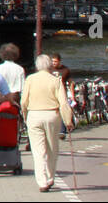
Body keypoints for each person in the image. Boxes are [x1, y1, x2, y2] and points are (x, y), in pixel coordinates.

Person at [21, 53, 74, 192]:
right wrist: (68, 120)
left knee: (38, 151)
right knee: (52, 148)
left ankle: (42, 181)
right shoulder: (55, 80)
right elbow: (63, 102)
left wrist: (25, 116)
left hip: (34, 115)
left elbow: (23, 101)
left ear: (37, 66)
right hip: (52, 114)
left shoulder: (30, 79)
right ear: (50, 65)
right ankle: (50, 177)